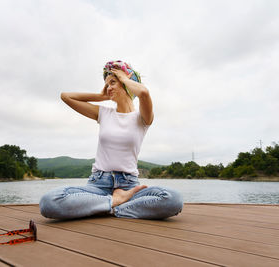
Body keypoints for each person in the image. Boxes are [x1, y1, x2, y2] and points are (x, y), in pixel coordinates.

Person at [39, 60, 183, 220]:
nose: (108, 87)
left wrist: (124, 78)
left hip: (128, 187)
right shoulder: (103, 113)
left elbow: (144, 93)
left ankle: (108, 207)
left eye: (113, 82)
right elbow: (66, 97)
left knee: (173, 199)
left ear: (127, 83)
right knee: (49, 202)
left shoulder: (142, 117)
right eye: (107, 84)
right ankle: (115, 202)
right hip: (98, 184)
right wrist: (101, 96)